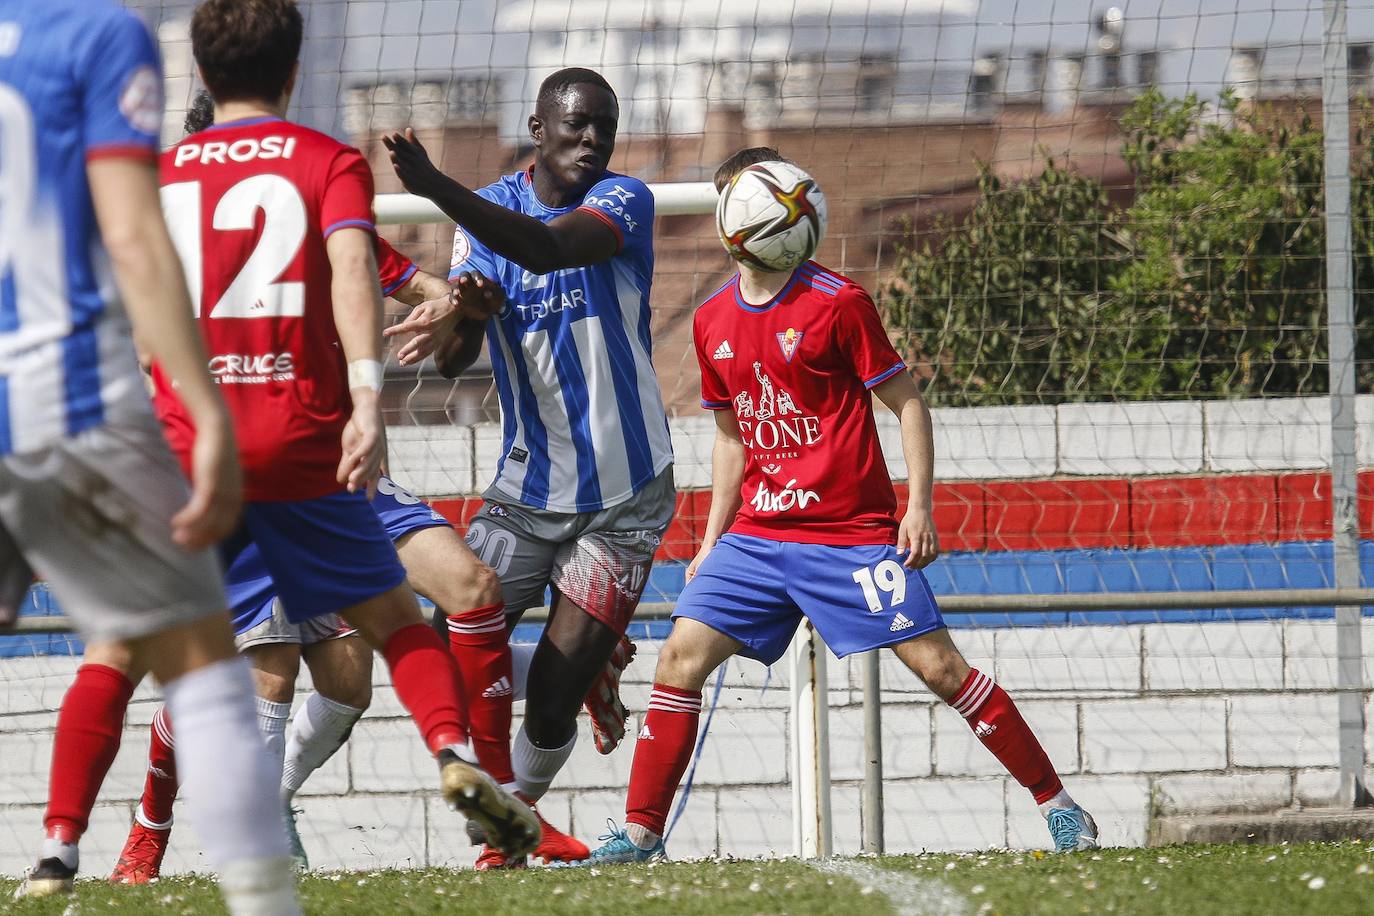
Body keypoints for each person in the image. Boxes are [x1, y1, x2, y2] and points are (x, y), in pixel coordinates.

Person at [584, 148, 1100, 864]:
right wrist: (711, 540)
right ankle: (641, 835)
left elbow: (907, 403)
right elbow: (732, 437)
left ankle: (1062, 808)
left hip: (849, 536)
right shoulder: (711, 322)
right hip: (759, 537)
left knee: (941, 670)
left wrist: (918, 507)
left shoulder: (839, 302)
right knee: (678, 658)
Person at [154, 0, 537, 860]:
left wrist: (459, 305)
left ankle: (486, 799)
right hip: (292, 461)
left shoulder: (267, 205)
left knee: (442, 605)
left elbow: (414, 287)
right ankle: (163, 834)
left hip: (311, 467)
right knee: (272, 669)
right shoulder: (313, 179)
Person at [0, 1, 302, 912]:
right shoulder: (99, 35)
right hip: (66, 399)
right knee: (203, 656)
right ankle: (262, 902)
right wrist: (205, 407)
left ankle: (60, 845)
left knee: (119, 642)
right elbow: (133, 238)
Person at [383, 67, 674, 868]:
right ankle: (593, 661)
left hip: (626, 493)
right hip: (526, 491)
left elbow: (545, 251)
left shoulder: (624, 202)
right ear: (538, 129)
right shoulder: (484, 218)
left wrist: (436, 186)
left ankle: (511, 829)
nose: (592, 142)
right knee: (448, 655)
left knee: (548, 708)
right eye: (576, 126)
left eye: (604, 128)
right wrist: (469, 313)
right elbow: (452, 365)